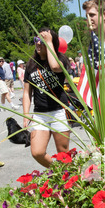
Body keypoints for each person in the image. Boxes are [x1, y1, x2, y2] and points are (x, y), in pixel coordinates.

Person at [23, 28, 71, 168]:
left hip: (59, 111)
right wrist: (26, 115)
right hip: (40, 114)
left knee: (63, 154)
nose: (38, 44)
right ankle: (58, 172)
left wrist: (49, 42)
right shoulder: (31, 64)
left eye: (42, 41)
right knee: (37, 152)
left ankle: (68, 180)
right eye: (36, 40)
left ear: (51, 42)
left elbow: (55, 67)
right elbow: (27, 92)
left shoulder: (61, 60)